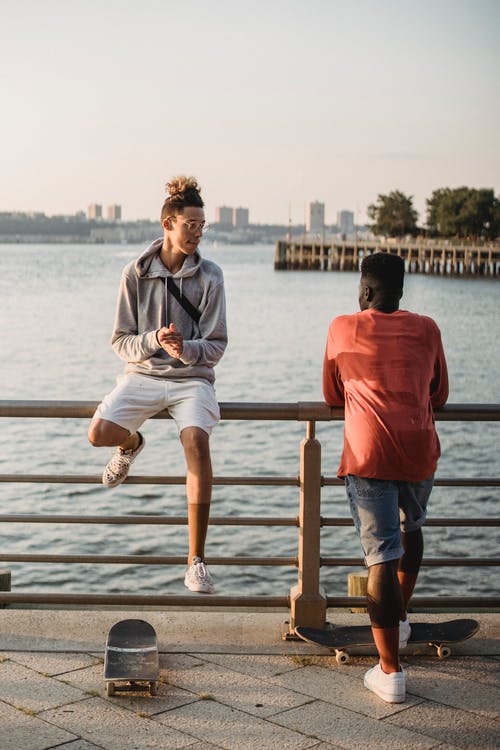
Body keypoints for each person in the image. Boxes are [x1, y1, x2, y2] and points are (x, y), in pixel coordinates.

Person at [88, 175, 227, 595]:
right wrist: (153, 341)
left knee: (196, 445)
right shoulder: (134, 273)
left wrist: (186, 350)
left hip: (192, 381)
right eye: (191, 225)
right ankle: (130, 445)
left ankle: (196, 561)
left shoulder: (211, 276)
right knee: (98, 434)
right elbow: (119, 340)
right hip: (144, 375)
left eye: (202, 226)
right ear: (168, 224)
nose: (198, 233)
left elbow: (217, 344)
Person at [322, 252, 448, 703]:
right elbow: (440, 392)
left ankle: (390, 672)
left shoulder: (342, 327)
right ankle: (404, 618)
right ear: (401, 290)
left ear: (366, 290)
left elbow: (331, 392)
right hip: (418, 448)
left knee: (380, 557)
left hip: (369, 451)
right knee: (411, 531)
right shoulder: (427, 328)